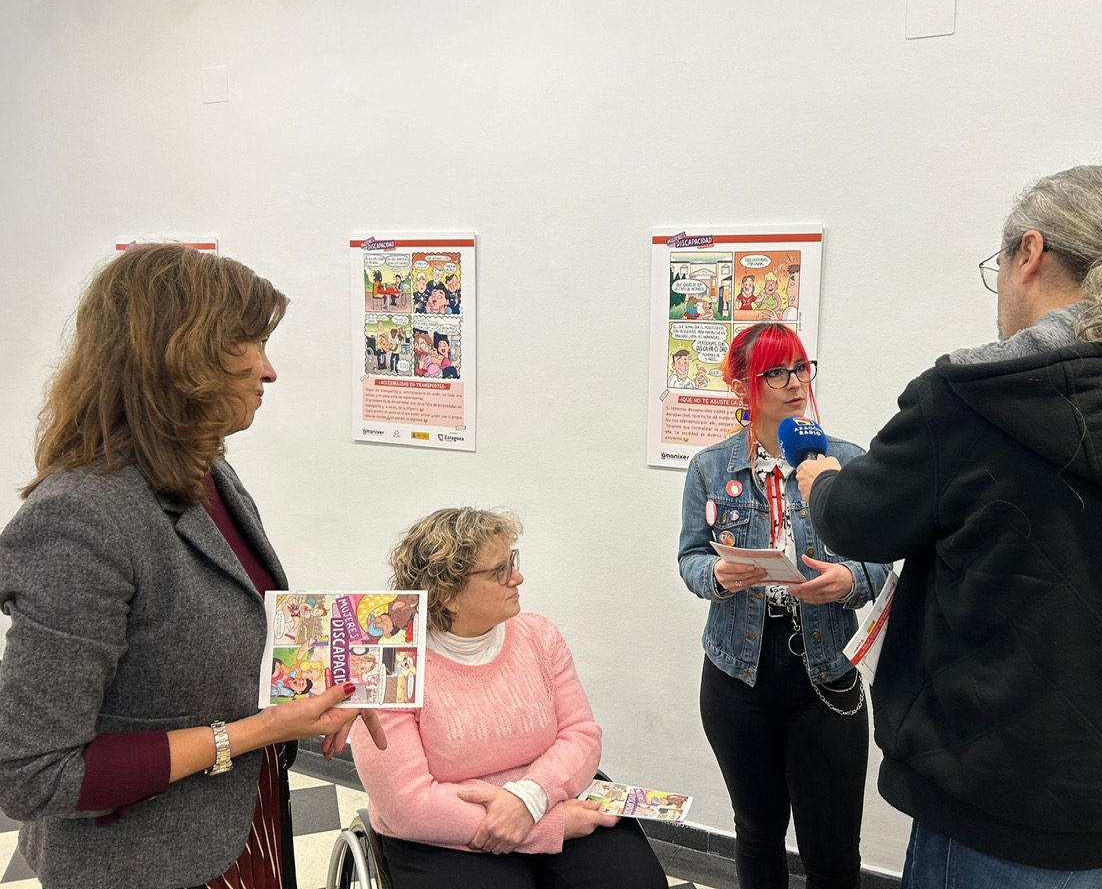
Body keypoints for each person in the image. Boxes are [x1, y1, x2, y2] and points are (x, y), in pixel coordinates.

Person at [796, 165, 1102, 888]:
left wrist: (821, 481)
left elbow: (856, 522)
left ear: (1030, 252)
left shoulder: (972, 397)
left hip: (989, 809)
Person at [0, 243, 386, 889]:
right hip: (144, 862)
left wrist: (326, 683)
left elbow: (214, 628)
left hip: (239, 823)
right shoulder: (80, 519)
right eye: (249, 343)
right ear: (180, 355)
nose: (268, 371)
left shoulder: (208, 474)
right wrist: (259, 730)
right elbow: (32, 774)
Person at [678, 323, 891, 889]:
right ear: (741, 386)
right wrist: (717, 575)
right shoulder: (710, 468)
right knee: (756, 832)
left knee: (832, 847)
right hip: (737, 671)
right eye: (776, 372)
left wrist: (849, 580)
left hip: (825, 669)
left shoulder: (845, 461)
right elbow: (690, 558)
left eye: (800, 368)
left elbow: (881, 563)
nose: (796, 383)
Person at [350, 507, 666, 889]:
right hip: (442, 831)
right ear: (448, 595)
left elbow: (581, 735)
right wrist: (548, 827)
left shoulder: (539, 635)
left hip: (551, 794)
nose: (517, 577)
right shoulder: (386, 664)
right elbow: (408, 804)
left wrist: (530, 800)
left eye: (512, 562)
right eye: (499, 570)